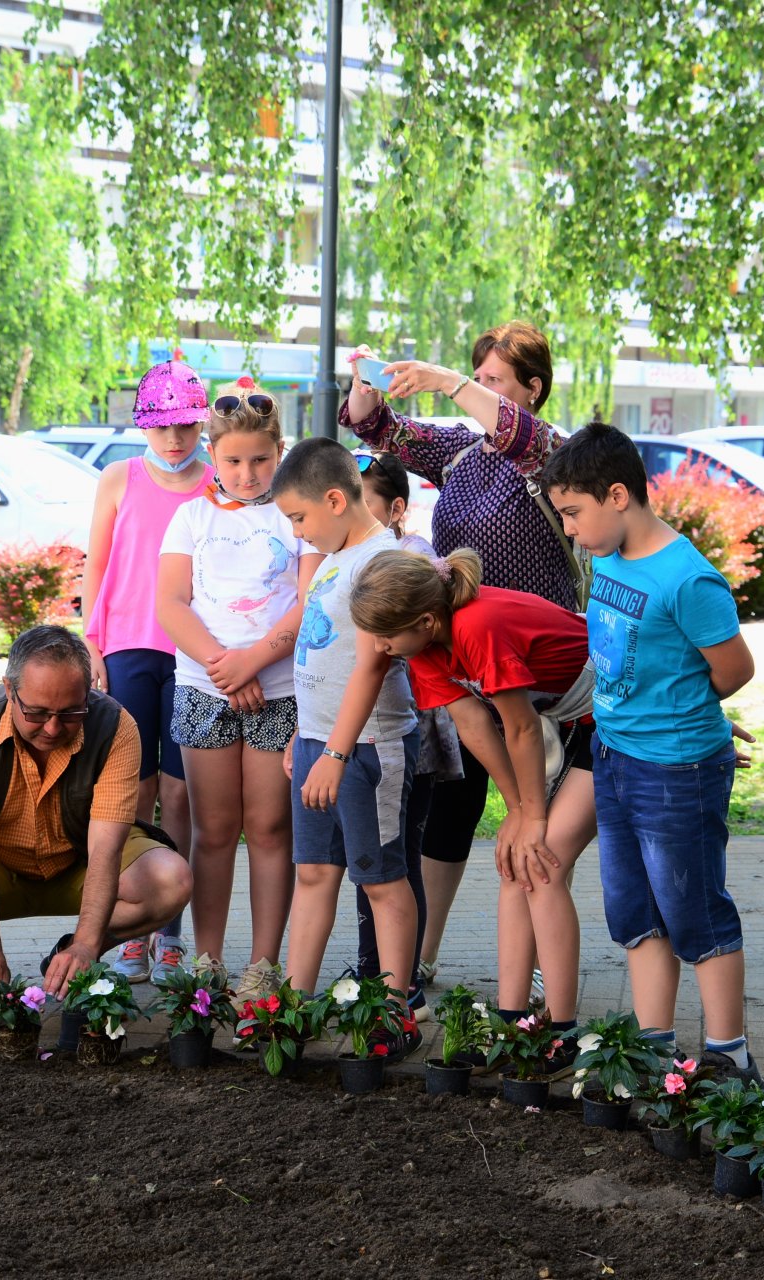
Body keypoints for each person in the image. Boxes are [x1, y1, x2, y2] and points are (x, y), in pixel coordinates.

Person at [340, 322, 576, 985]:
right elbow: (380, 432)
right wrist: (366, 384)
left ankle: (530, 965)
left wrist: (448, 381)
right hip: (460, 662)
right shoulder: (460, 456)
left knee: (539, 820)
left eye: (494, 381)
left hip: (536, 671)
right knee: (452, 810)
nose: (479, 392)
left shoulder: (550, 455)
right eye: (477, 377)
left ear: (533, 389)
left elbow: (516, 434)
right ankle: (420, 958)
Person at [541, 423, 760, 1082]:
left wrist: (690, 721)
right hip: (612, 757)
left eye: (574, 513)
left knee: (695, 912)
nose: (570, 529)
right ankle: (654, 1047)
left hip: (676, 771)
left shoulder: (687, 579)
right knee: (634, 910)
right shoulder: (605, 555)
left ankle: (729, 1058)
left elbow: (733, 670)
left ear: (617, 495)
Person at [350, 547, 595, 1043]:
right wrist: (515, 812)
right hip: (561, 722)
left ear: (423, 619)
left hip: (610, 720)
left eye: (386, 634)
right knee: (513, 862)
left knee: (541, 862)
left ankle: (563, 1030)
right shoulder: (423, 647)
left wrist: (533, 815)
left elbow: (520, 727)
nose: (379, 646)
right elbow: (474, 724)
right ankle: (512, 1022)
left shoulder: (476, 624)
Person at [0, 626, 194, 1001]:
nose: (53, 728)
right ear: (9, 690)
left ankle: (71, 956)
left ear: (87, 693)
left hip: (81, 862)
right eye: (37, 713)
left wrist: (87, 945)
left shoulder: (116, 727)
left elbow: (106, 850)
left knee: (172, 880)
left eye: (71, 712)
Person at [156, 382, 319, 1004]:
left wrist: (255, 662)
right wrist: (227, 667)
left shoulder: (296, 514)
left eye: (260, 459)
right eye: (233, 460)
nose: (247, 473)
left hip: (278, 692)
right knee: (214, 830)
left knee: (272, 828)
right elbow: (171, 604)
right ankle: (207, 959)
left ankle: (263, 964)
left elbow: (307, 602)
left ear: (279, 452)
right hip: (206, 689)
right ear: (213, 455)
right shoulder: (190, 516)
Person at [271, 438, 420, 1052]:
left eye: (300, 518)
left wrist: (334, 752)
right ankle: (291, 1011)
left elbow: (370, 668)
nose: (299, 533)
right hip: (319, 747)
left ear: (336, 499)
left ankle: (393, 1014)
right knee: (313, 875)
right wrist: (304, 738)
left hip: (365, 751)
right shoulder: (333, 555)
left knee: (382, 882)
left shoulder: (379, 562)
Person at [82, 353, 209, 983]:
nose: (175, 438)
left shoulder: (218, 480)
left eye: (186, 426)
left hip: (192, 655)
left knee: (182, 790)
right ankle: (130, 924)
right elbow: (97, 566)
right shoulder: (118, 478)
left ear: (202, 423)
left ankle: (171, 929)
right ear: (142, 426)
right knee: (134, 790)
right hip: (128, 645)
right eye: (162, 427)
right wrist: (91, 644)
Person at [350, 453, 462, 1009]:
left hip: (407, 735)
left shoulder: (410, 558)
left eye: (361, 500)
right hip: (367, 734)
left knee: (400, 855)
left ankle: (403, 976)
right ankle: (377, 966)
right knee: (371, 856)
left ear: (395, 508)